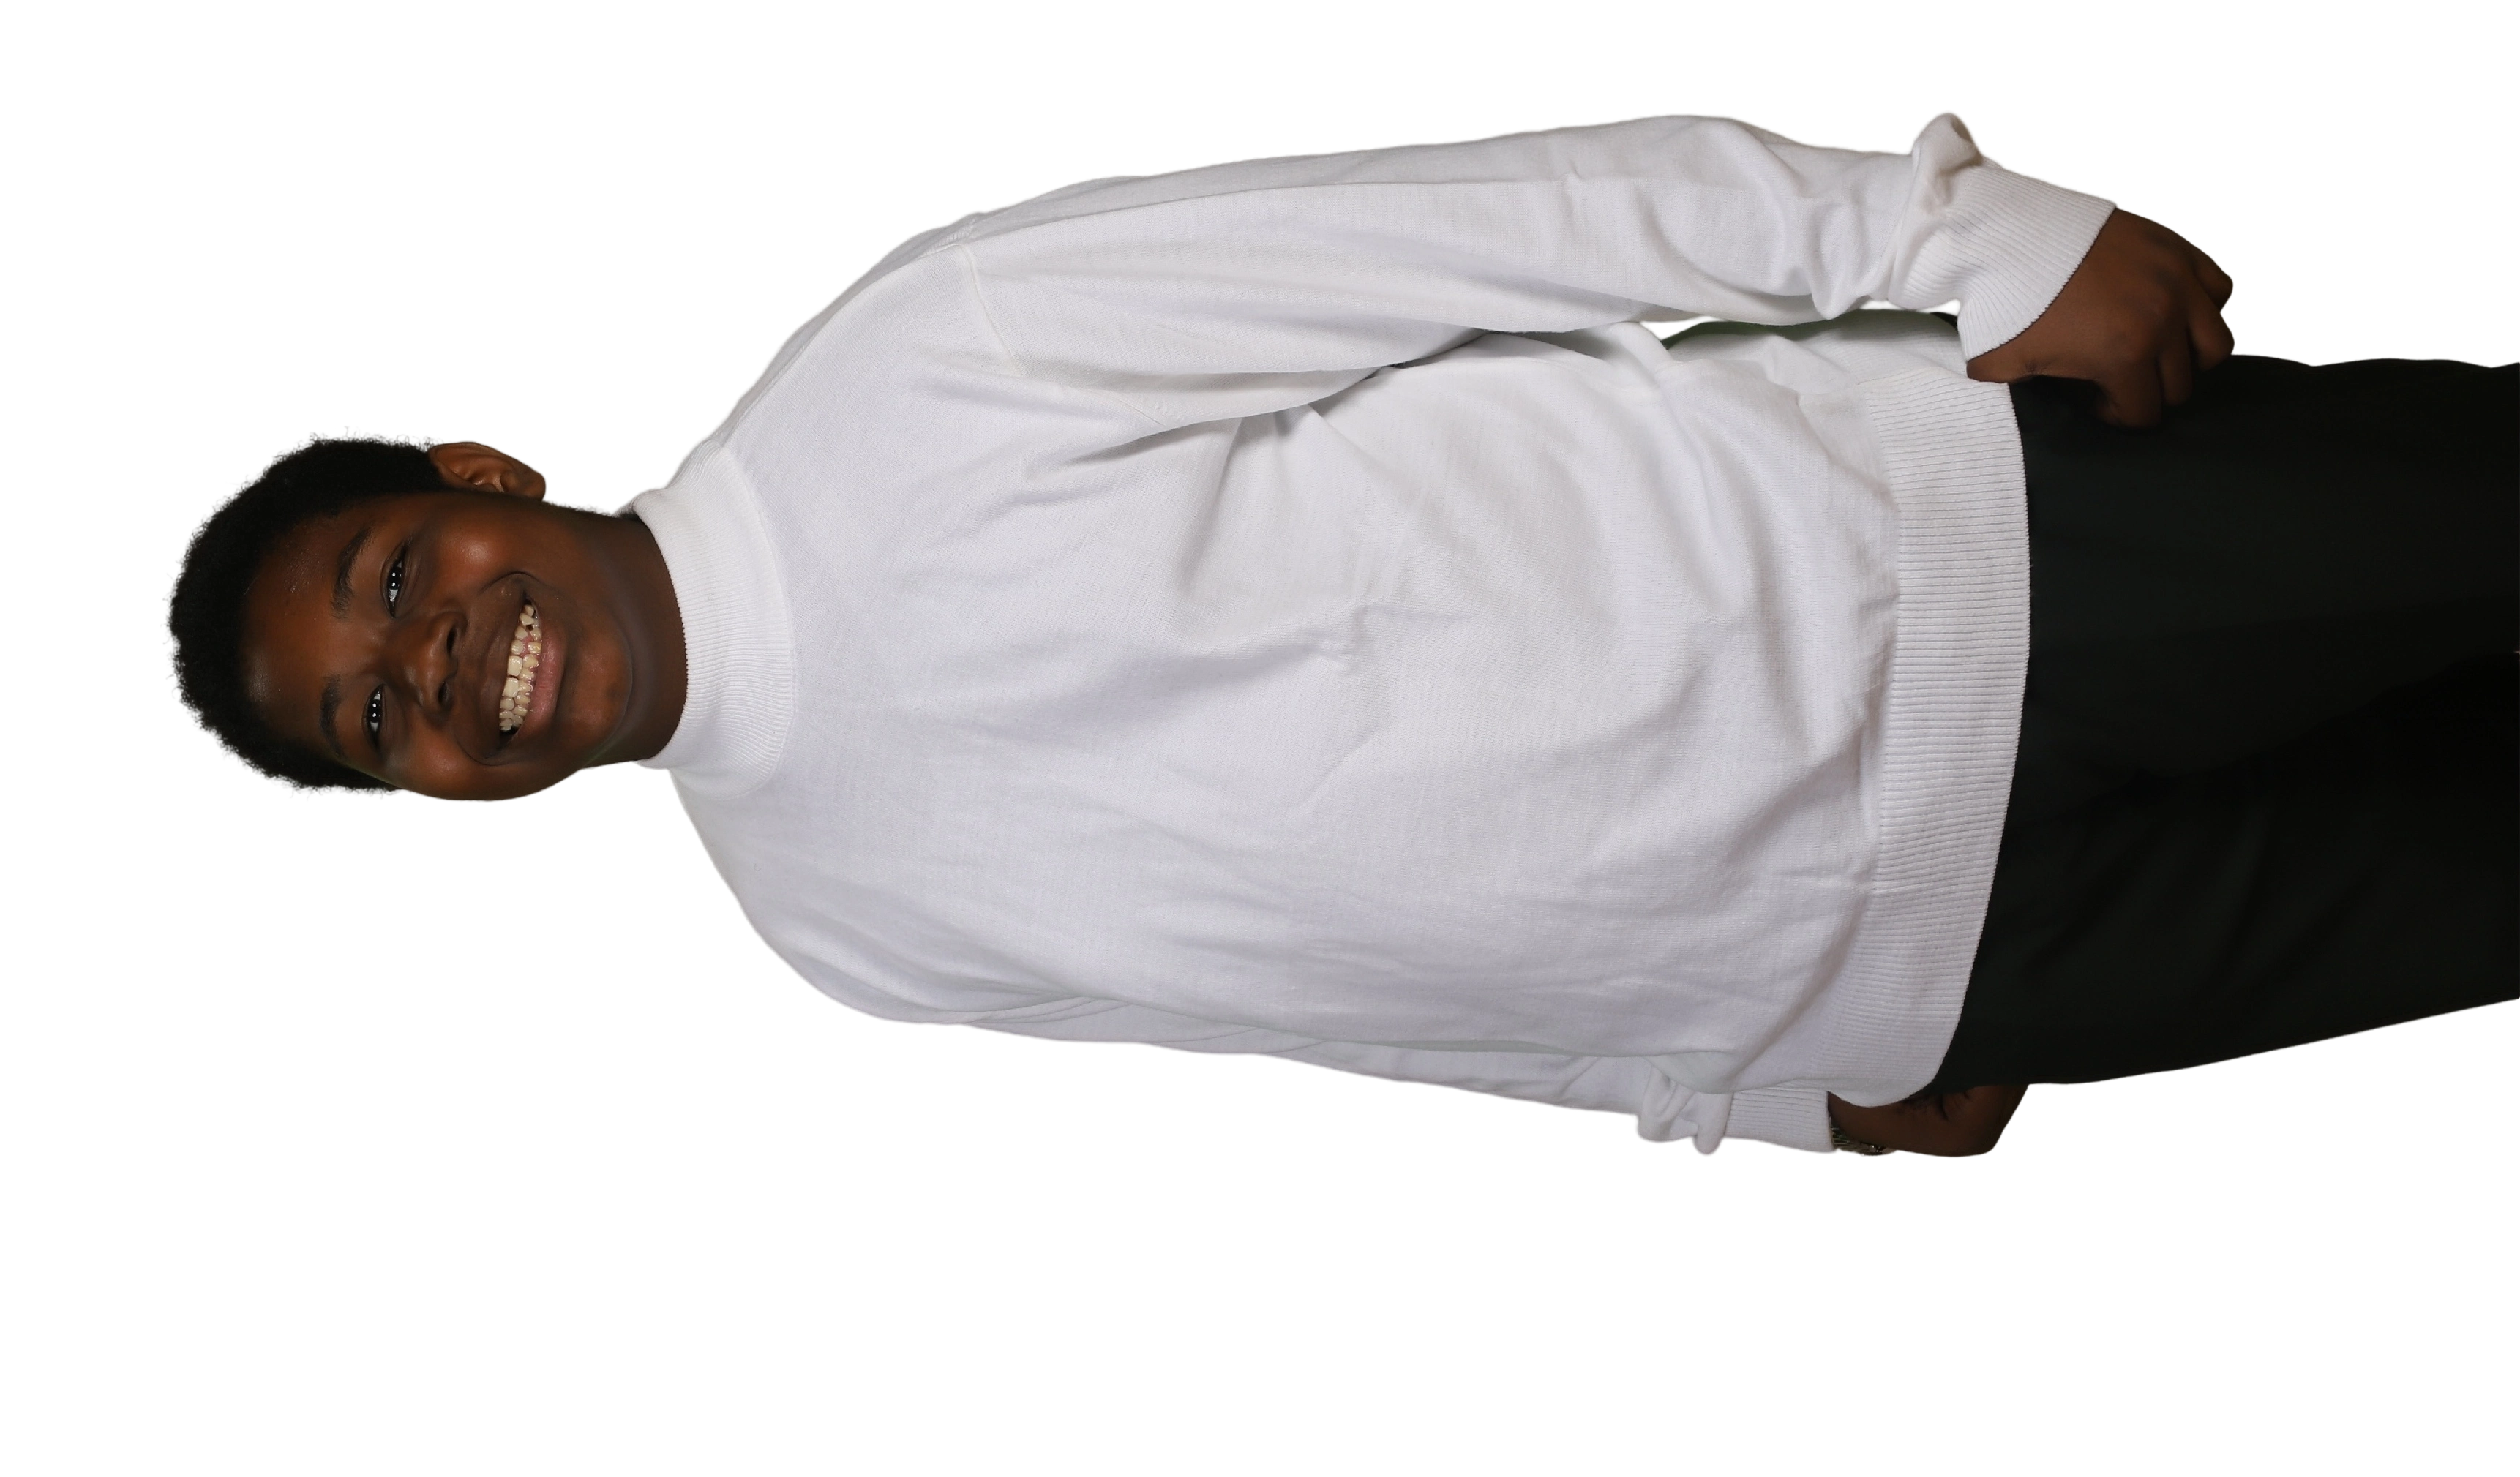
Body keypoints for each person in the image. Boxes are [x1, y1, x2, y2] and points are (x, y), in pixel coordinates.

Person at [159, 108, 2518, 1162]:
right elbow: (1343, 1009)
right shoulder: (828, 932)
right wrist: (1741, 1091)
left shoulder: (917, 359)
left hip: (1972, 564)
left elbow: (1486, 233)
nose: (432, 671)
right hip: (1961, 963)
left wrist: (1954, 240)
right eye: (374, 726)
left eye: (394, 584)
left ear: (478, 476)